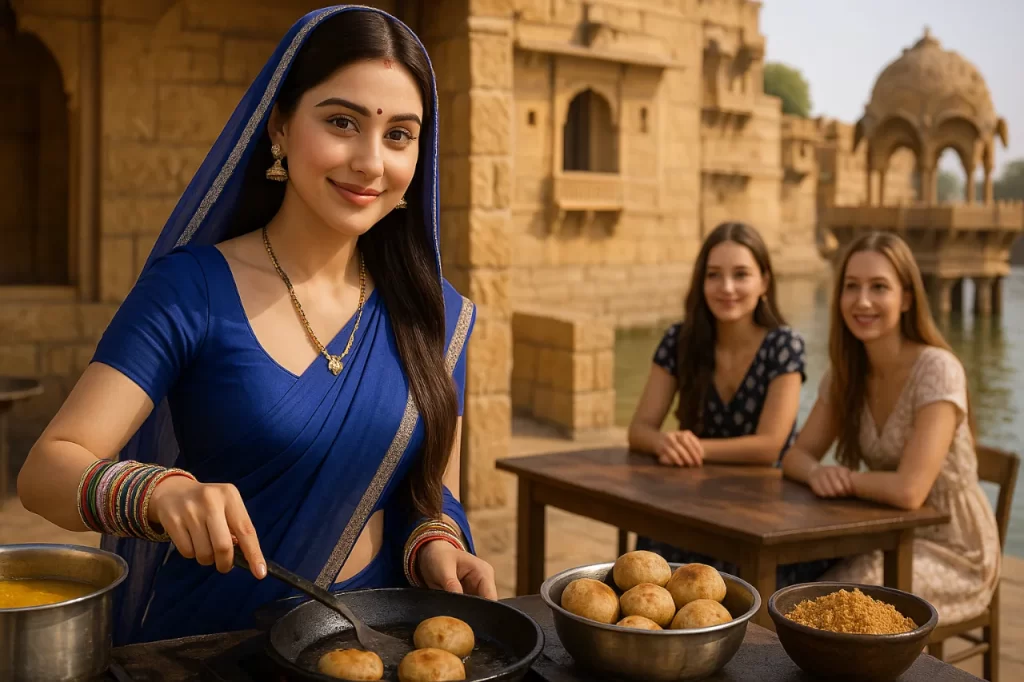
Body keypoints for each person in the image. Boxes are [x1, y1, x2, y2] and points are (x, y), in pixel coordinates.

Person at [16, 6, 496, 645]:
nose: (370, 162)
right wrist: (159, 494)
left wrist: (436, 545)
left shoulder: (435, 315)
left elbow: (429, 495)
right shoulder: (191, 290)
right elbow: (45, 472)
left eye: (399, 135)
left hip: (376, 643)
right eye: (342, 122)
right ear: (280, 127)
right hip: (212, 648)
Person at [781, 232, 1000, 625]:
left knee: (834, 605)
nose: (862, 301)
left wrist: (846, 479)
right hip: (881, 535)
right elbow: (796, 456)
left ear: (907, 298)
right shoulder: (846, 374)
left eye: (879, 287)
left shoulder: (937, 369)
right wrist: (816, 472)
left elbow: (909, 490)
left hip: (954, 550)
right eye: (852, 286)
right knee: (789, 583)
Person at [628, 221, 836, 585]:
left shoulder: (783, 345)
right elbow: (639, 430)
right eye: (714, 275)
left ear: (764, 282)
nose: (726, 287)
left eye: (741, 275)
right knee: (652, 576)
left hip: (764, 512)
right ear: (701, 282)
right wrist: (664, 442)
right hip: (693, 503)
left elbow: (769, 446)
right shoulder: (680, 339)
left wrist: (694, 447)